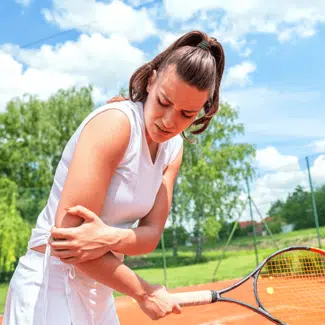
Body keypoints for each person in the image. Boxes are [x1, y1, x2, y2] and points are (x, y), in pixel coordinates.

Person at [3, 30, 225, 325]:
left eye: (187, 114)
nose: (169, 121)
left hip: (100, 289)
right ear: (151, 80)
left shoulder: (174, 148)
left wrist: (108, 236)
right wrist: (143, 292)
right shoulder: (116, 124)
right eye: (163, 102)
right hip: (50, 284)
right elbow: (68, 243)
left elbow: (151, 235)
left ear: (202, 112)